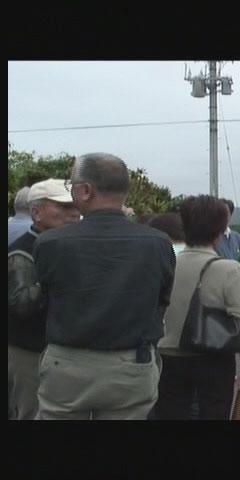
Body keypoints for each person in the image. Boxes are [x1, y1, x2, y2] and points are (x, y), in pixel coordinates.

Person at [32, 153, 175, 420]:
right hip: (131, 364)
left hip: (67, 363)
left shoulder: (50, 242)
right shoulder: (158, 243)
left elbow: (43, 300)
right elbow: (161, 301)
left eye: (71, 185)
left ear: (86, 190)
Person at [154, 195, 240, 420]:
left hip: (169, 357)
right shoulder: (229, 269)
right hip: (214, 359)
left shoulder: (166, 263)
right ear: (220, 232)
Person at [8, 179, 80, 420]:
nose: (74, 213)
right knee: (32, 411)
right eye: (63, 207)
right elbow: (21, 304)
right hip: (29, 351)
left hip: (59, 350)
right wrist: (53, 281)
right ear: (36, 212)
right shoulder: (22, 252)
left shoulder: (64, 245)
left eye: (74, 206)